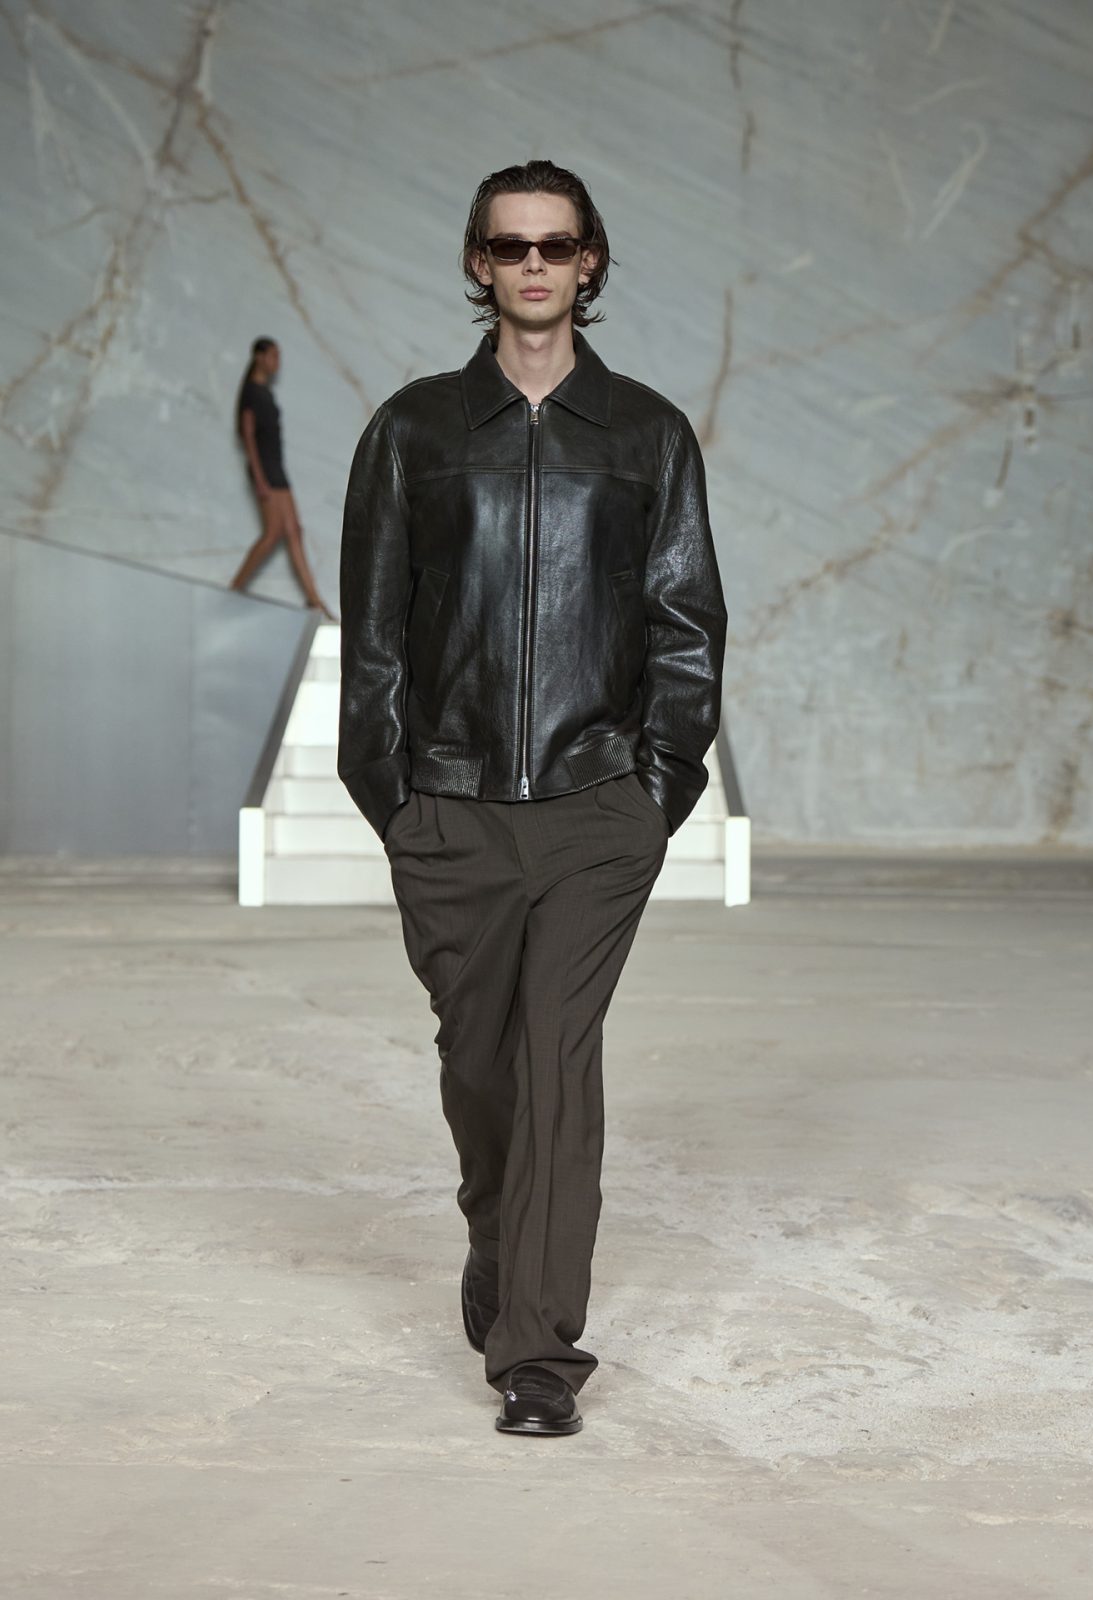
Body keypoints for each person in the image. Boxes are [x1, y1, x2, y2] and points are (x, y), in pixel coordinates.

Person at [337, 160, 727, 1436]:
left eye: (556, 246)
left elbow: (685, 625)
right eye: (510, 248)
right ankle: (497, 1232)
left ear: (589, 260)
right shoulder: (412, 431)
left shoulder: (646, 435)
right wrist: (396, 803)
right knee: (479, 1065)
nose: (534, 267)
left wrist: (654, 792)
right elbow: (373, 635)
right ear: (479, 264)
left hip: (594, 801)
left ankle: (538, 1354)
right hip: (448, 806)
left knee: (557, 1059)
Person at [229, 337, 333, 614]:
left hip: (277, 468)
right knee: (273, 533)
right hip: (265, 470)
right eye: (274, 355)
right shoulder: (252, 392)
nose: (278, 362)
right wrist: (260, 479)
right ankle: (234, 588)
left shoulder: (265, 392)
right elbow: (248, 436)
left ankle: (314, 599)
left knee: (294, 530)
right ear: (259, 357)